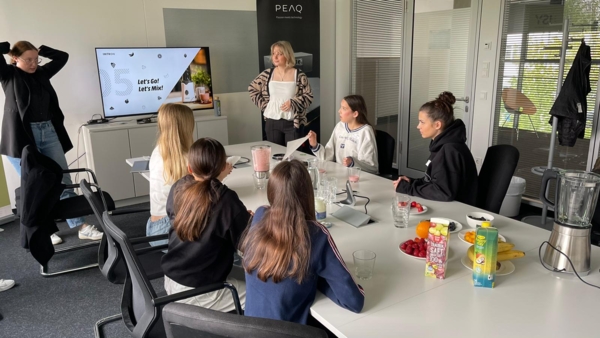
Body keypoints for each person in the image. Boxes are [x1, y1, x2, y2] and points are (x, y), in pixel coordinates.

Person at [0, 41, 101, 245]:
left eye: (36, 59)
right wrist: (6, 47)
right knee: (36, 186)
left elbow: (62, 56)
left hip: (48, 132)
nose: (33, 63)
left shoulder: (42, 73)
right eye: (28, 59)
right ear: (15, 59)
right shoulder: (8, 75)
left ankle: (80, 226)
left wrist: (41, 50)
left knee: (62, 180)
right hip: (21, 138)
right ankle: (45, 229)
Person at [240, 160, 365, 324]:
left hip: (249, 332)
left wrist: (311, 277)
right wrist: (315, 279)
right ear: (307, 194)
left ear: (272, 192)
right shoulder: (315, 234)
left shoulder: (260, 214)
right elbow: (354, 301)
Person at [161, 138, 250, 312]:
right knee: (261, 294)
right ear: (224, 166)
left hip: (174, 279)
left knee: (248, 277)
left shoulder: (178, 186)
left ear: (189, 168)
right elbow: (248, 245)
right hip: (200, 291)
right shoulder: (226, 201)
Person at [394, 91, 478, 205]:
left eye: (422, 122)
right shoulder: (442, 144)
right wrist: (412, 182)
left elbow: (443, 192)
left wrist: (408, 189)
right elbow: (434, 181)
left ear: (437, 125)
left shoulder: (449, 150)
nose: (418, 126)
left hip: (457, 210)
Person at [146, 103, 195, 246]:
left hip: (154, 228)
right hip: (169, 232)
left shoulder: (159, 151)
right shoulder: (185, 159)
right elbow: (201, 195)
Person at [248, 41, 313, 146]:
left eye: (280, 53)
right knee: (274, 155)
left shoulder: (299, 75)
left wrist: (293, 103)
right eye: (273, 53)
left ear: (287, 55)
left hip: (292, 122)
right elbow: (252, 89)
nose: (275, 57)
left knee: (293, 157)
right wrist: (265, 106)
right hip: (272, 121)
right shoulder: (267, 74)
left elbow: (309, 96)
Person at [308, 95, 379, 174]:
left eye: (344, 108)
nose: (339, 111)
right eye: (340, 107)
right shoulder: (340, 126)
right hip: (340, 174)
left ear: (355, 114)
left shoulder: (366, 132)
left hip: (358, 178)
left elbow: (372, 167)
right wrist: (315, 145)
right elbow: (328, 156)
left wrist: (352, 162)